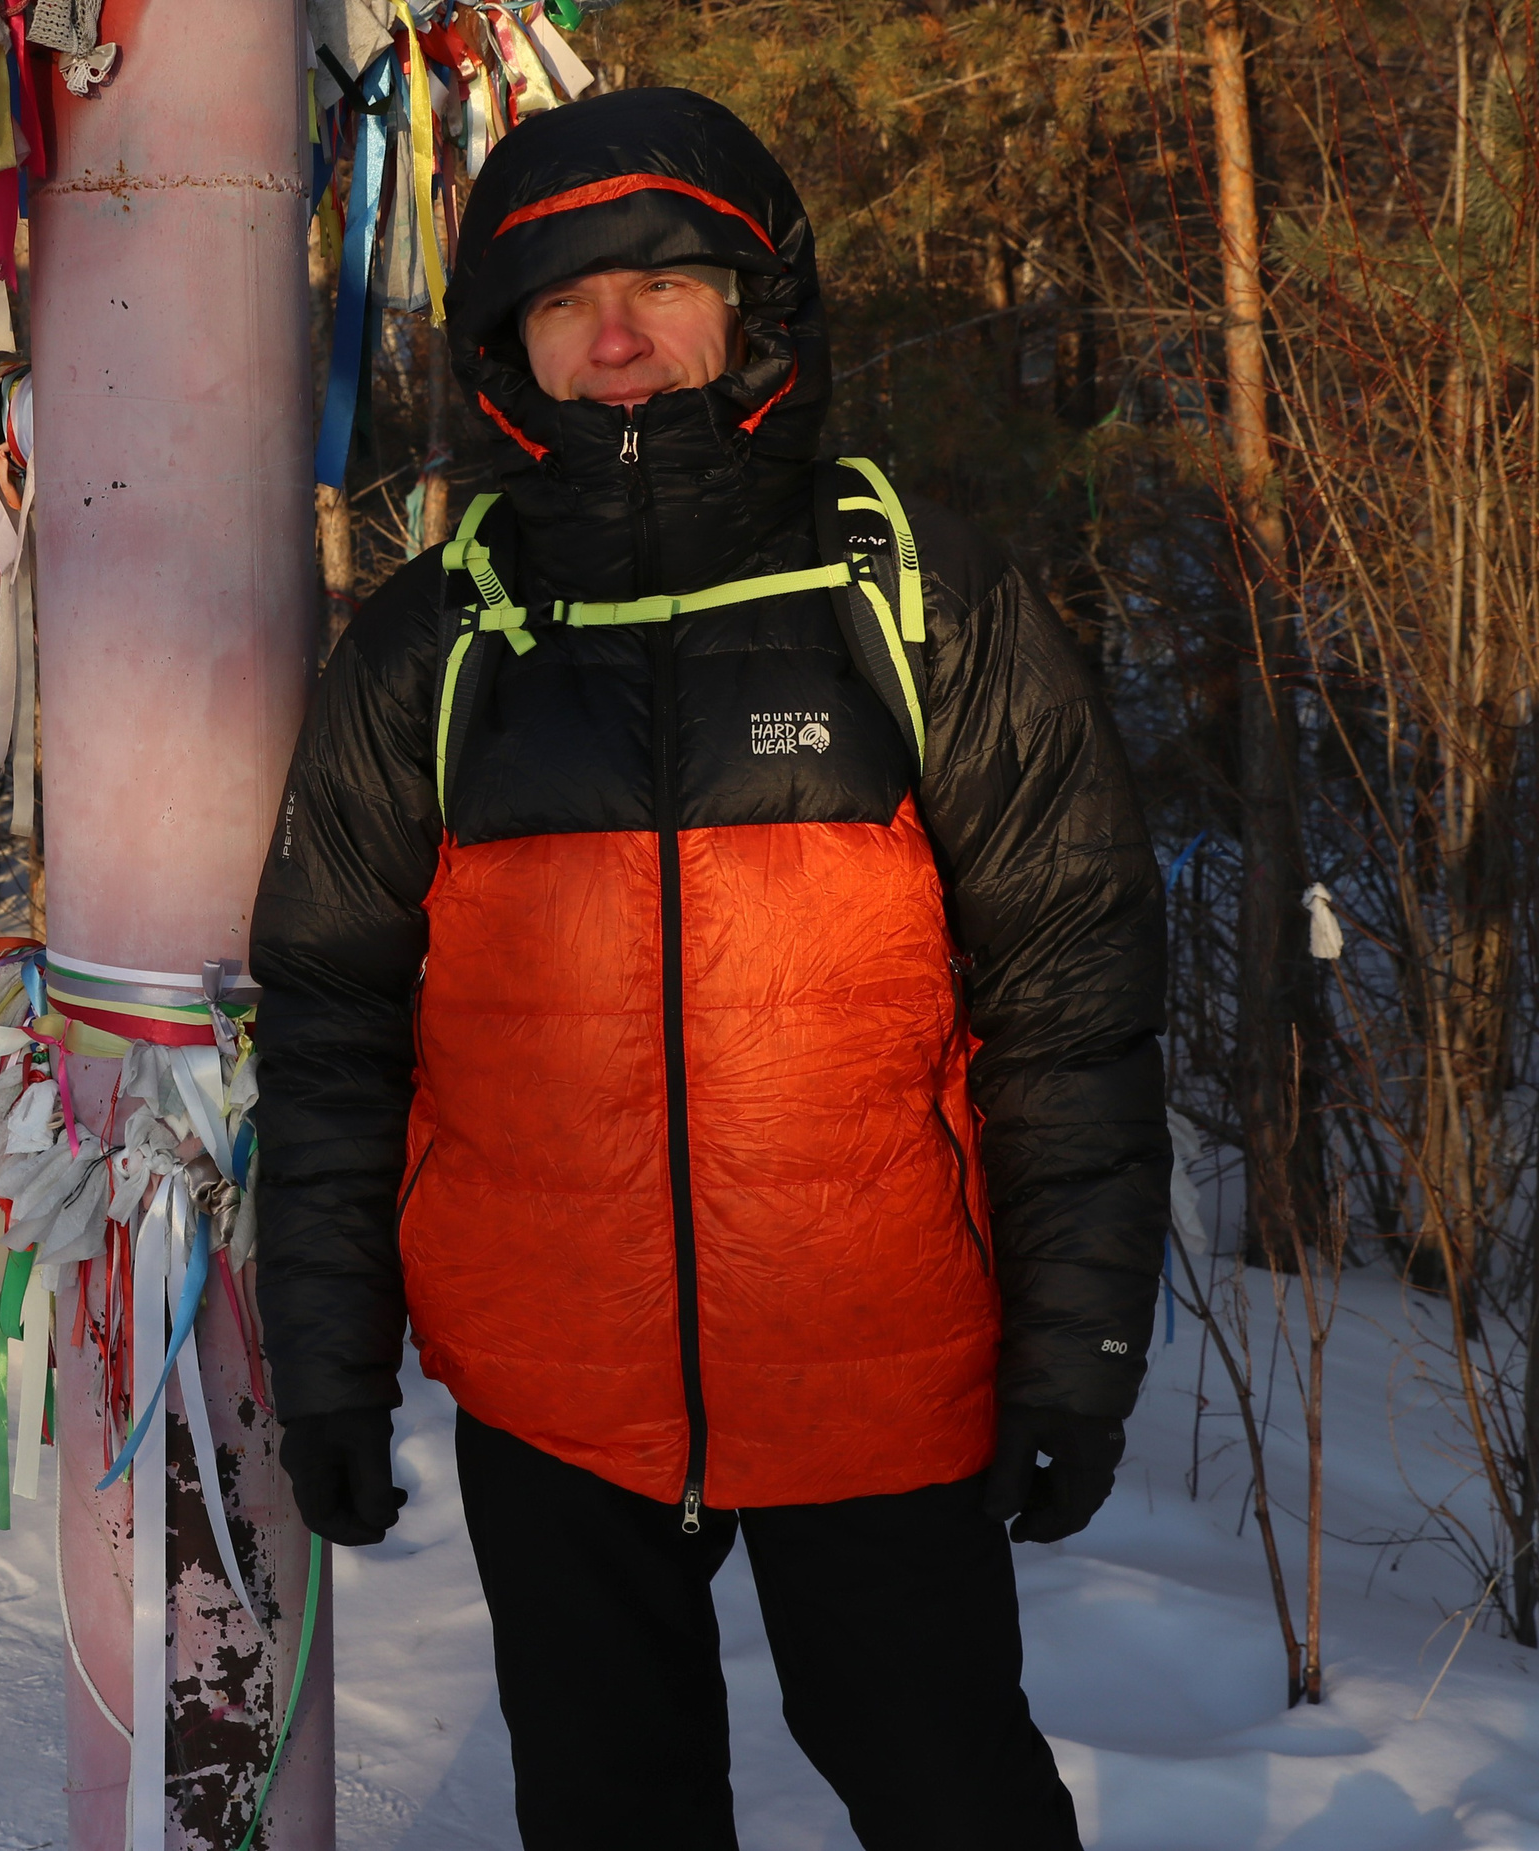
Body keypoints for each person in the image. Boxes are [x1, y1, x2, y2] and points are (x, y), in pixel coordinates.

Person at [249, 86, 1168, 1849]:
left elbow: (1068, 993)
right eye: (563, 301)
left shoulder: (911, 593)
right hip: (553, 1395)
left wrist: (1080, 1342)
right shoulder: (438, 640)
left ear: (752, 305)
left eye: (664, 282)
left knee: (951, 1796)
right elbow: (336, 1023)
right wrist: (331, 1360)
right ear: (507, 347)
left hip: (877, 1365)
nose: (617, 337)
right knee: (609, 1813)